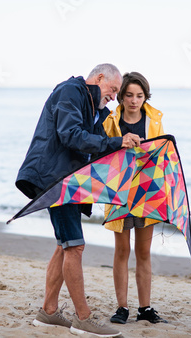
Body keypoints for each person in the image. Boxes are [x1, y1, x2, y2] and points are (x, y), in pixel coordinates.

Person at [15, 63, 141, 337]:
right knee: (75, 247)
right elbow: (71, 136)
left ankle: (48, 312)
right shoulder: (70, 92)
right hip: (55, 179)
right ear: (98, 78)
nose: (114, 96)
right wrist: (117, 142)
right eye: (113, 89)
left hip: (69, 182)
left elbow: (101, 148)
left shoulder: (95, 108)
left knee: (64, 246)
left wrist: (129, 147)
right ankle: (83, 318)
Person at [102, 72, 168, 325]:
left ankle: (145, 308)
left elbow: (161, 156)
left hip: (147, 192)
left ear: (145, 96)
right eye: (129, 95)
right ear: (121, 96)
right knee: (122, 250)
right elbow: (103, 152)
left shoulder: (154, 119)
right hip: (119, 191)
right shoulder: (111, 120)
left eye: (139, 95)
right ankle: (122, 308)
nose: (134, 100)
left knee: (143, 252)